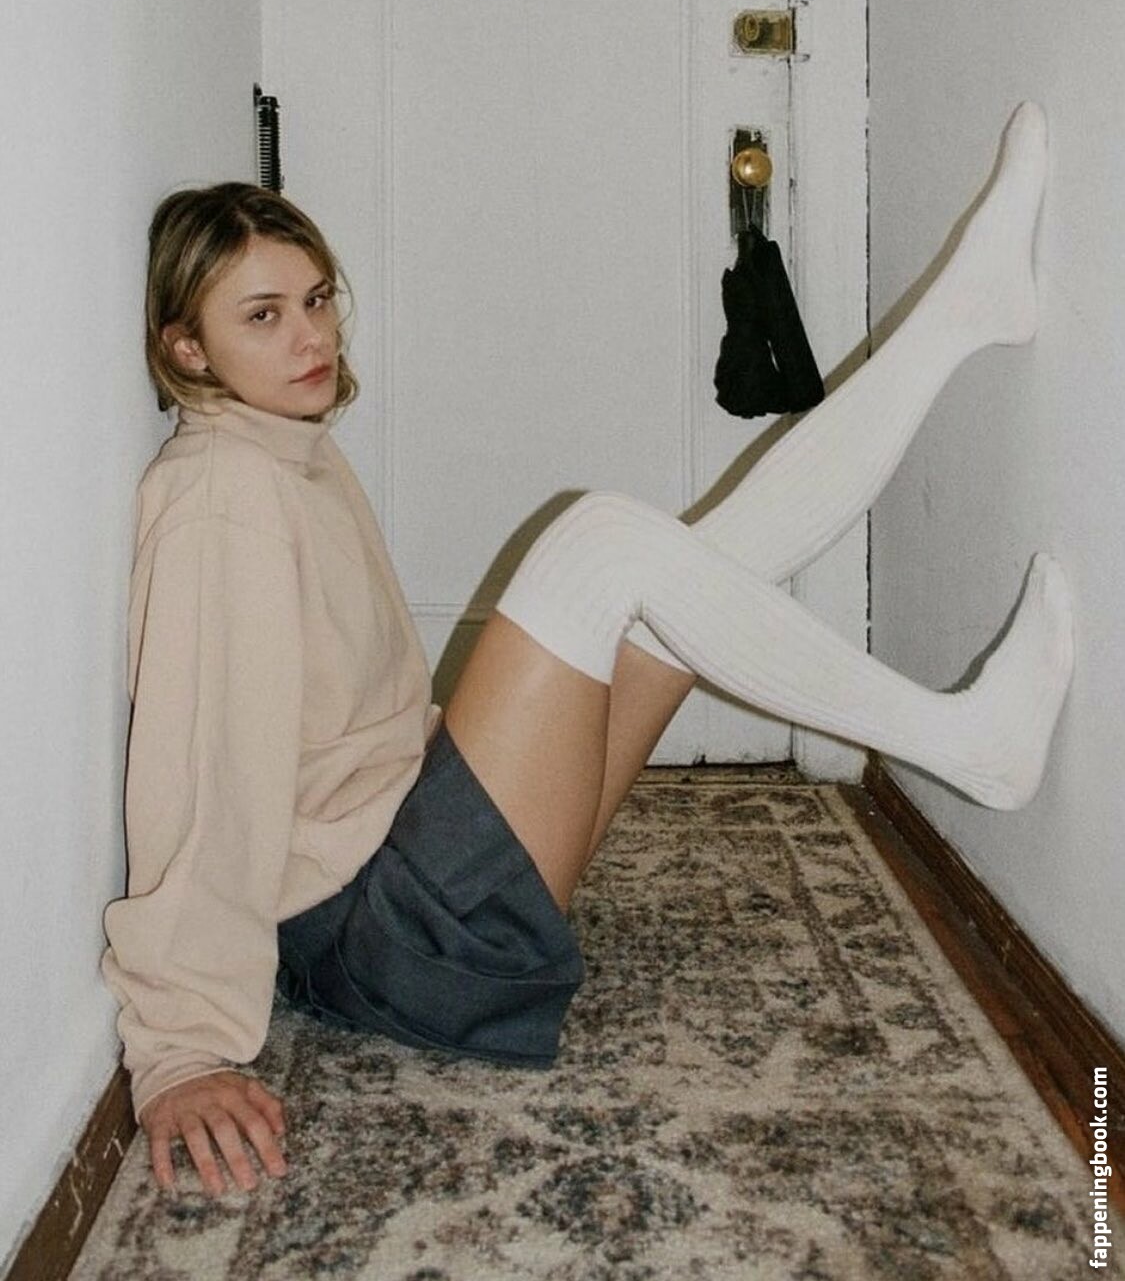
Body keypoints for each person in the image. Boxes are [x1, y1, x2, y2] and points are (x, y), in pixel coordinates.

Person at [102, 101, 1073, 1198]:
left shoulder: (285, 451)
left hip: (409, 853)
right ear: (188, 347)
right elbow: (204, 774)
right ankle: (964, 744)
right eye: (264, 316)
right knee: (602, 544)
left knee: (699, 568)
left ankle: (961, 317)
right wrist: (180, 1048)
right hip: (394, 938)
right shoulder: (221, 496)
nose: (312, 338)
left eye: (317, 299)